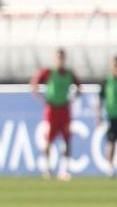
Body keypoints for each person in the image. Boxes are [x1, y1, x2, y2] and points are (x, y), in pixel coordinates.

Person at [30, 48, 81, 181]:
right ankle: (47, 168)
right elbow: (34, 83)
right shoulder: (49, 72)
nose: (60, 60)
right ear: (55, 59)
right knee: (49, 139)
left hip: (64, 109)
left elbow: (79, 87)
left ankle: (65, 169)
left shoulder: (69, 74)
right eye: (58, 58)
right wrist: (42, 98)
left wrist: (73, 98)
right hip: (52, 110)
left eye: (62, 58)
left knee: (66, 140)